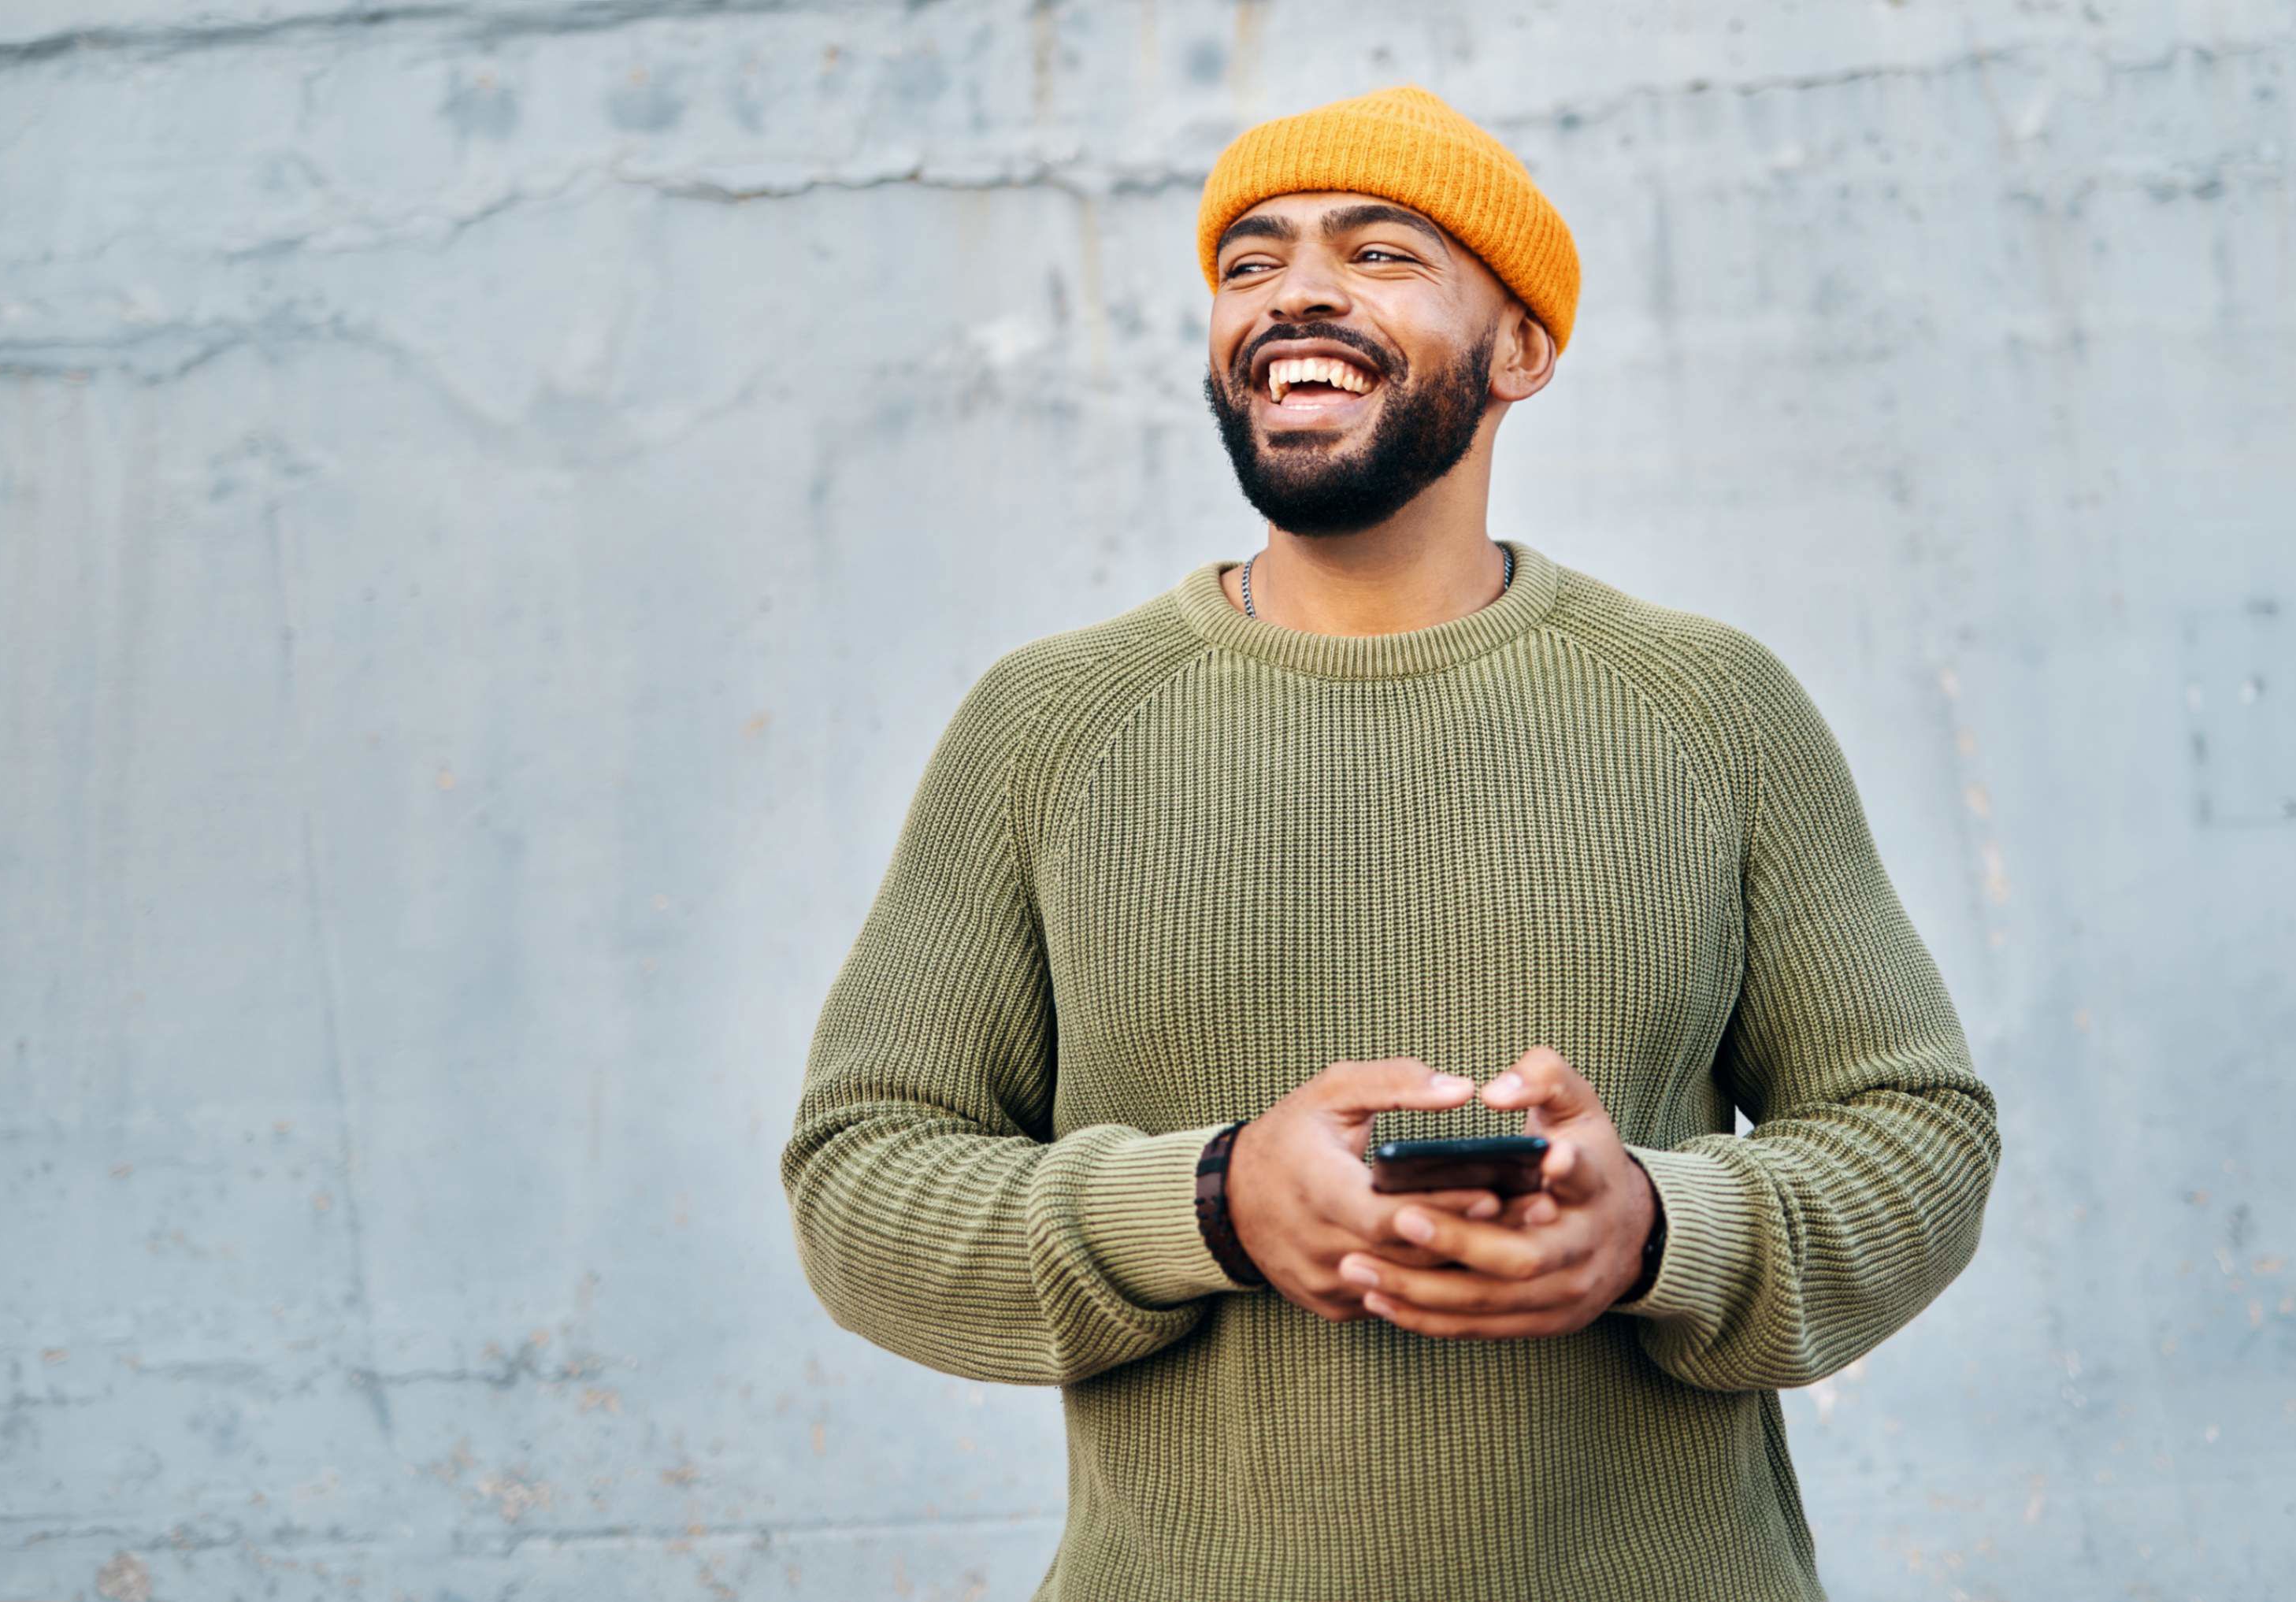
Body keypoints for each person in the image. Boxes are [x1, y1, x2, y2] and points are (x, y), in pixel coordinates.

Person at [780, 83, 2000, 1602]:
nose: (1295, 287)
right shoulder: (1045, 725)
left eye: (1380, 252)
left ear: (1521, 348)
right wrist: (1216, 1201)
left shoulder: (1709, 706)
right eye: (1250, 261)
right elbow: (859, 1176)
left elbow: (1917, 1131)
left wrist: (1654, 1228)